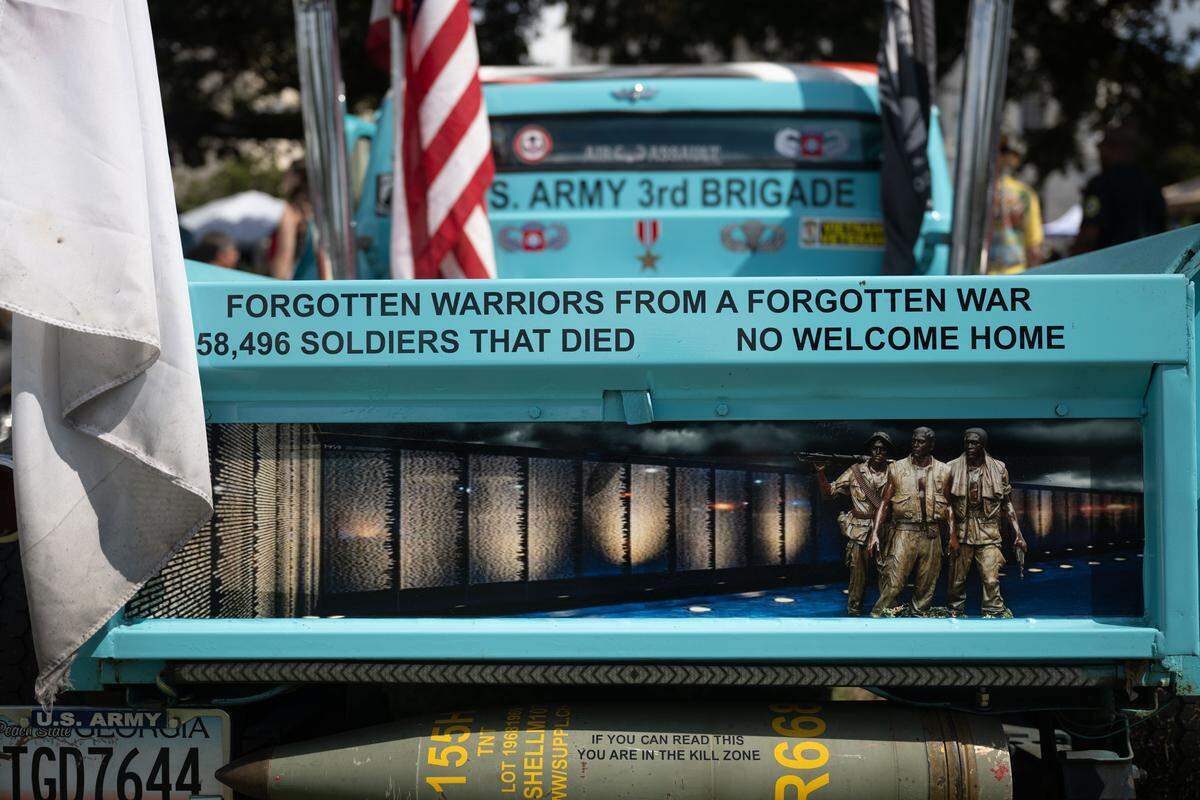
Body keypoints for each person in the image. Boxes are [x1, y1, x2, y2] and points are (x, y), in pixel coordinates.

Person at [866, 427, 953, 617]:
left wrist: (952, 536)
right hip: (904, 532)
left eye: (921, 441)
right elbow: (885, 504)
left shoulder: (945, 470)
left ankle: (919, 618)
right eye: (913, 441)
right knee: (894, 580)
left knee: (927, 583)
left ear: (931, 445)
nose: (915, 445)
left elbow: (949, 506)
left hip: (932, 534)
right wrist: (875, 534)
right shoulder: (896, 468)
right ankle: (877, 616)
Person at [945, 428, 1028, 619]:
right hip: (962, 530)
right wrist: (951, 536)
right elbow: (947, 504)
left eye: (975, 443)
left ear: (983, 444)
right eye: (967, 442)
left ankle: (993, 612)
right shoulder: (951, 467)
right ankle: (954, 612)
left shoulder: (998, 468)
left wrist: (1018, 533)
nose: (970, 446)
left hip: (988, 531)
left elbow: (1007, 503)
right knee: (956, 581)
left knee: (991, 579)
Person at [814, 432, 894, 616]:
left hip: (886, 530)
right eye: (875, 448)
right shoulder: (855, 471)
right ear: (870, 450)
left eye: (882, 448)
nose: (878, 451)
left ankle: (887, 611)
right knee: (857, 576)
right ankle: (854, 611)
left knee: (888, 574)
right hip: (859, 530)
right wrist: (820, 472)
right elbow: (829, 493)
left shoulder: (895, 471)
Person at [1071, 124, 1166, 255]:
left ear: (1114, 148)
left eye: (1102, 146)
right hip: (1150, 262)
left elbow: (1090, 233)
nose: (1100, 152)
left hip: (1111, 266)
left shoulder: (1102, 184)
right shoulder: (1151, 184)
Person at [986, 136, 1044, 274]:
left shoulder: (976, 193)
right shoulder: (1025, 194)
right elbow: (1034, 248)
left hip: (982, 277)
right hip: (1017, 276)